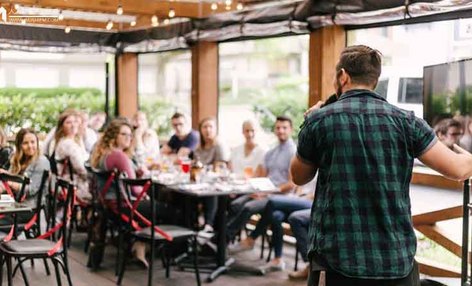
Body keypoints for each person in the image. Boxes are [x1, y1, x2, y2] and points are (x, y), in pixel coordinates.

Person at [290, 45, 472, 286]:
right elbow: (458, 169)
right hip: (394, 261)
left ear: (343, 76)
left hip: (337, 260)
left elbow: (299, 176)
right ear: (375, 79)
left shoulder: (320, 120)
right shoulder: (407, 122)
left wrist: (308, 121)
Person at [226, 116, 296, 244]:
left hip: (280, 196)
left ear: (291, 130)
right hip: (264, 192)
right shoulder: (271, 152)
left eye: (284, 128)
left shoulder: (294, 152)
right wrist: (258, 189)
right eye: (278, 128)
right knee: (234, 204)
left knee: (247, 207)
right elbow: (263, 176)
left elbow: (292, 184)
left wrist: (269, 192)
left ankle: (223, 239)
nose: (281, 130)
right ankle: (225, 238)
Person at [0, 128, 50, 223]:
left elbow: (31, 190)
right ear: (19, 145)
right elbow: (7, 182)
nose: (30, 146)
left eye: (33, 142)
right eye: (25, 143)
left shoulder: (41, 162)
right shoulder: (17, 159)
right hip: (14, 205)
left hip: (30, 209)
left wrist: (9, 182)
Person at [193, 117, 230, 232]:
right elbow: (195, 166)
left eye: (211, 127)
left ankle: (208, 226)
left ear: (216, 129)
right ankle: (191, 226)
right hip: (200, 183)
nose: (208, 130)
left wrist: (204, 171)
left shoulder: (219, 145)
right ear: (200, 130)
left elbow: (219, 168)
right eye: (205, 127)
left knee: (211, 192)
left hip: (217, 184)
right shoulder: (198, 148)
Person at [53, 109, 90, 202]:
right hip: (74, 186)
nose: (73, 125)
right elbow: (81, 169)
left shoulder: (75, 141)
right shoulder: (67, 144)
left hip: (73, 183)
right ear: (62, 127)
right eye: (69, 122)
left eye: (75, 121)